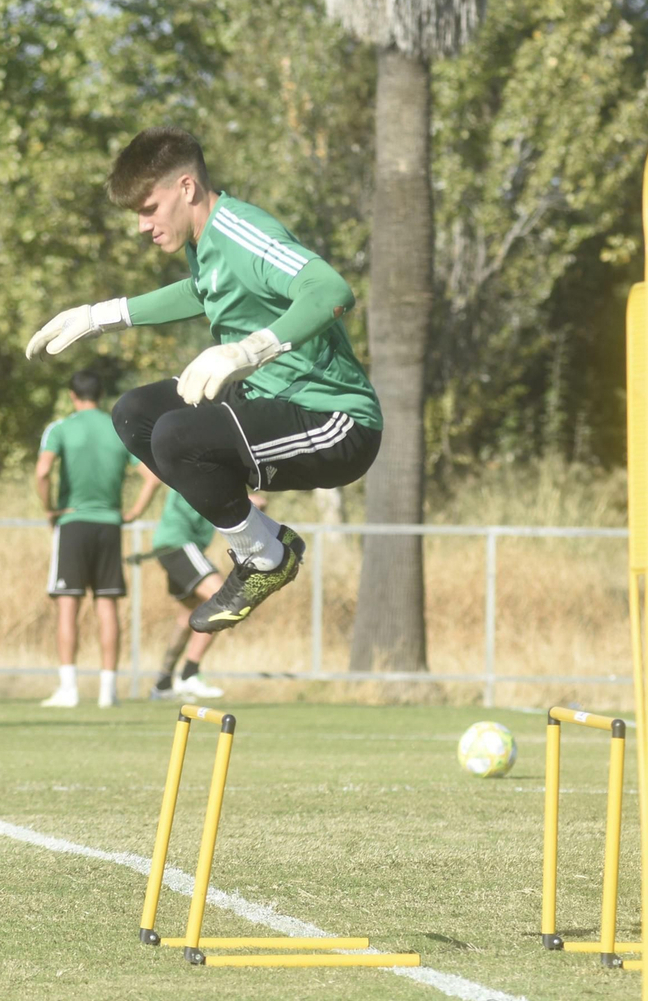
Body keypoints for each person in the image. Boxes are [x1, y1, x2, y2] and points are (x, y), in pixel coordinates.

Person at [25, 127, 381, 637]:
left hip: (335, 421)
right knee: (135, 415)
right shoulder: (205, 245)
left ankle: (262, 557)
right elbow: (201, 292)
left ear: (187, 188)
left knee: (176, 436)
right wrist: (102, 315)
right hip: (267, 398)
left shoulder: (241, 231)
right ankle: (267, 548)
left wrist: (250, 349)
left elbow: (330, 289)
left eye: (149, 207)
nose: (143, 226)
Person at [36, 369, 135, 708]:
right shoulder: (117, 428)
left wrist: (50, 509)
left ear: (71, 396)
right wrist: (134, 511)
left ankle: (69, 688)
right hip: (109, 523)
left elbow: (42, 471)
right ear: (101, 394)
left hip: (73, 520)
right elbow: (152, 475)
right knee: (106, 605)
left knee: (68, 604)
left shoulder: (60, 428)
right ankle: (108, 691)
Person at [123, 467, 262, 701]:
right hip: (179, 543)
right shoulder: (201, 461)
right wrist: (248, 501)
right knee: (225, 600)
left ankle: (163, 684)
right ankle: (190, 674)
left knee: (187, 616)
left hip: (173, 545)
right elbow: (213, 493)